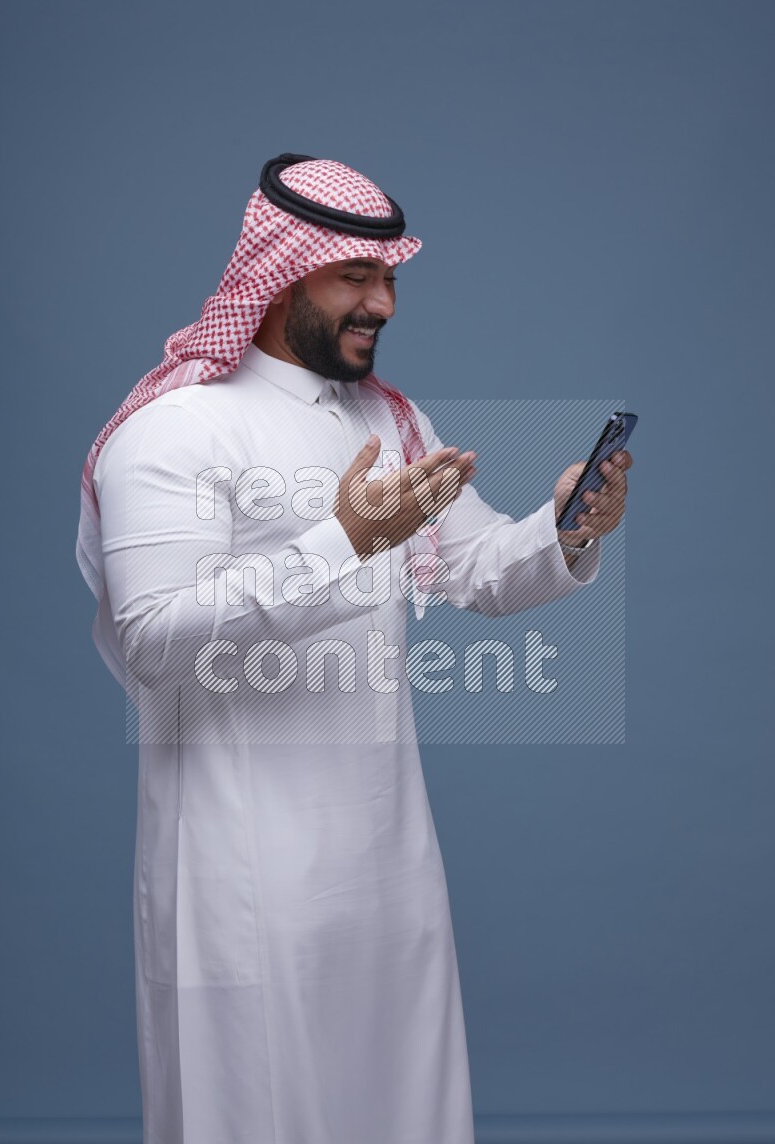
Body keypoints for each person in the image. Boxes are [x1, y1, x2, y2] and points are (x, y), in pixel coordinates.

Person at [76, 153, 632, 1144]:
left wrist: (565, 528)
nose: (380, 302)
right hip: (241, 873)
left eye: (389, 279)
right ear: (284, 273)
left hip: (387, 862)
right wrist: (342, 541)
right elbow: (152, 637)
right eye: (354, 277)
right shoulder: (174, 431)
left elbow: (475, 570)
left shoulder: (389, 420)